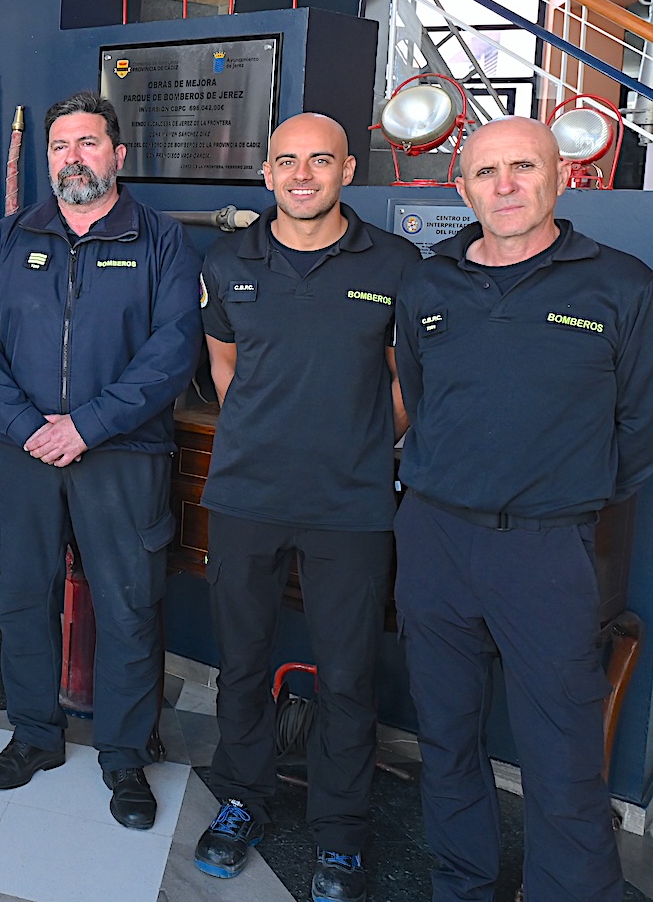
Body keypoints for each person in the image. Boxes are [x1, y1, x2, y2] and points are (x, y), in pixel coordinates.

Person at [394, 117, 653, 902]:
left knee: (563, 752)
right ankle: (462, 882)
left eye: (523, 168)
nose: (504, 186)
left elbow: (639, 428)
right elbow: (421, 394)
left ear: (562, 178)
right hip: (435, 540)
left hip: (549, 552)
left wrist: (558, 494)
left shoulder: (621, 285)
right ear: (462, 187)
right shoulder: (428, 283)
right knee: (444, 736)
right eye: (486, 173)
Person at [0, 90, 201, 828]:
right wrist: (29, 424)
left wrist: (86, 426)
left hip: (122, 454)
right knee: (25, 600)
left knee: (128, 607)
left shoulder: (159, 238)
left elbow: (173, 349)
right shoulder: (8, 236)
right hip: (24, 453)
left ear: (118, 156)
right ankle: (34, 737)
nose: (73, 158)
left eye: (88, 144)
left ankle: (125, 758)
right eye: (60, 147)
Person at [193, 114, 419, 902]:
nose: (301, 174)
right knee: (244, 663)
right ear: (266, 173)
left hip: (351, 505)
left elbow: (404, 381)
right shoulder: (229, 260)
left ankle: (342, 834)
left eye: (319, 160)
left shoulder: (393, 262)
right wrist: (267, 430)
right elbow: (225, 364)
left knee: (350, 677)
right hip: (247, 496)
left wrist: (356, 441)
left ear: (346, 170)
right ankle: (241, 800)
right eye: (286, 160)